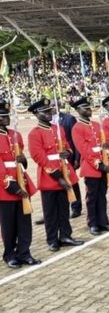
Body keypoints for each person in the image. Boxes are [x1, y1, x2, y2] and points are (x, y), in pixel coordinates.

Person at [27, 98, 84, 251]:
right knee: (50, 212)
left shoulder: (58, 129)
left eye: (49, 111)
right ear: (36, 114)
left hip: (64, 171)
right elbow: (39, 157)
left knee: (64, 209)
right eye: (44, 112)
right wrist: (58, 177)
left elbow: (67, 146)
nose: (48, 114)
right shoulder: (35, 134)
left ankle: (65, 235)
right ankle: (52, 239)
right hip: (49, 177)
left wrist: (68, 152)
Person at [0, 100, 40, 268]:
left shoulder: (15, 135)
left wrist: (23, 160)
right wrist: (13, 187)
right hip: (6, 187)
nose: (6, 119)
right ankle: (9, 254)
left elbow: (22, 163)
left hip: (21, 181)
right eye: (3, 117)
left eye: (7, 115)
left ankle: (24, 252)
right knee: (8, 224)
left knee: (24, 222)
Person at [71, 96, 109, 236]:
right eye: (85, 108)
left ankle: (103, 221)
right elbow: (84, 150)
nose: (88, 110)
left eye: (89, 107)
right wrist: (99, 164)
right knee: (92, 198)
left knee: (102, 196)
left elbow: (103, 144)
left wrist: (106, 155)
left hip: (104, 164)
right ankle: (92, 223)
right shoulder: (77, 128)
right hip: (92, 168)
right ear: (78, 110)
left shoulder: (97, 125)